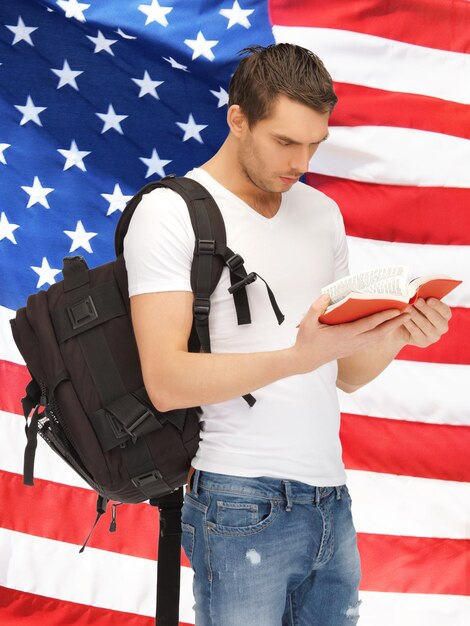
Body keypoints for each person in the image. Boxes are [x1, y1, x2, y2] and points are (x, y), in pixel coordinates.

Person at [124, 44, 451, 626]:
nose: (301, 161)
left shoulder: (322, 213)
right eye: (285, 141)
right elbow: (166, 381)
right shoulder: (171, 211)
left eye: (314, 144)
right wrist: (300, 356)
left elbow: (344, 372)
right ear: (238, 118)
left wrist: (400, 331)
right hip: (235, 498)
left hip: (331, 497)